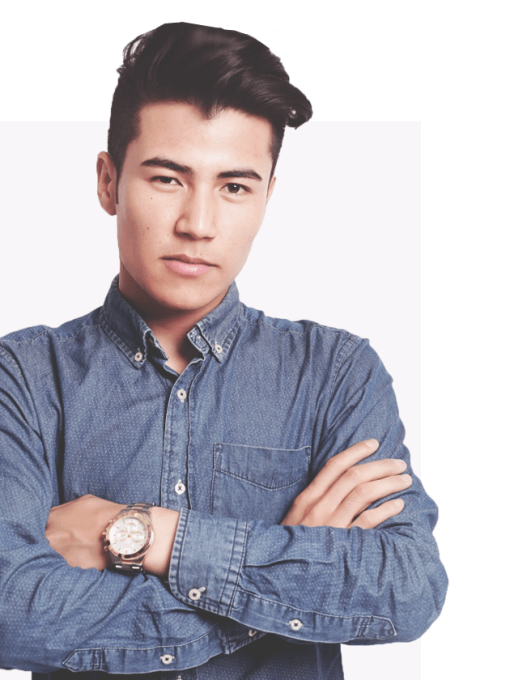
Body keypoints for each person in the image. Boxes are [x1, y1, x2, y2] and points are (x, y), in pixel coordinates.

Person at [0, 21, 447, 680]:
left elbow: (407, 589)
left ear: (267, 197)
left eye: (234, 186)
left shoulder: (336, 374)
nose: (198, 224)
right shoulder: (24, 377)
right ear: (108, 182)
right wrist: (287, 576)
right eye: (167, 179)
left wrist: (144, 534)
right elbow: (10, 610)